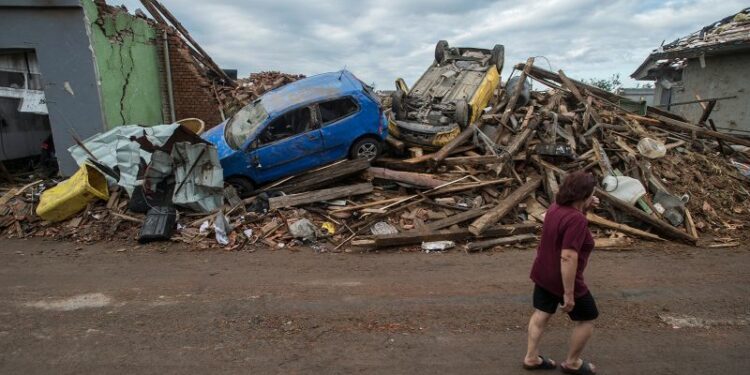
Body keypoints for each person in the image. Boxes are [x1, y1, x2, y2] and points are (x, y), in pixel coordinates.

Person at [522, 171, 600, 374]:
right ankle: (572, 362)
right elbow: (567, 256)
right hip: (564, 278)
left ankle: (531, 358)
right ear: (584, 196)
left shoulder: (555, 207)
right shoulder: (577, 220)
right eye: (591, 194)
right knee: (587, 318)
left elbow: (566, 226)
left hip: (543, 272)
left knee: (541, 313)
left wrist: (585, 208)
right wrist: (568, 292)